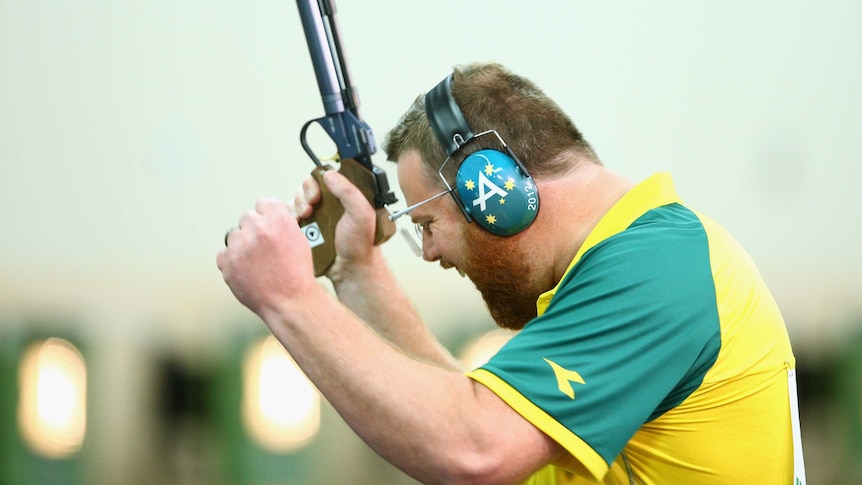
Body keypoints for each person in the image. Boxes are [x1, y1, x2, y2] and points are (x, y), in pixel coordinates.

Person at [217, 62, 805, 484]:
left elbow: (472, 452)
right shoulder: (622, 269)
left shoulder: (656, 269)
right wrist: (356, 271)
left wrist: (289, 299)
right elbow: (464, 418)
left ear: (488, 189)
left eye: (427, 224)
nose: (429, 253)